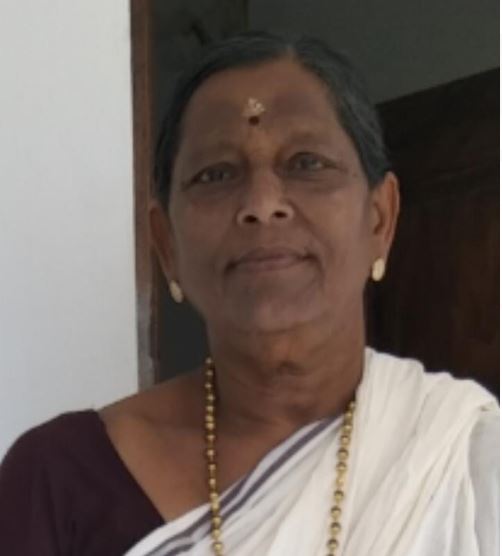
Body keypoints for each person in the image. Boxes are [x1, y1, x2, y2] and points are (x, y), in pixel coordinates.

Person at [0, 31, 498, 556]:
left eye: (307, 163)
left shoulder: (471, 463)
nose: (262, 203)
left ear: (380, 219)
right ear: (166, 244)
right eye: (215, 174)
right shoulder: (56, 481)